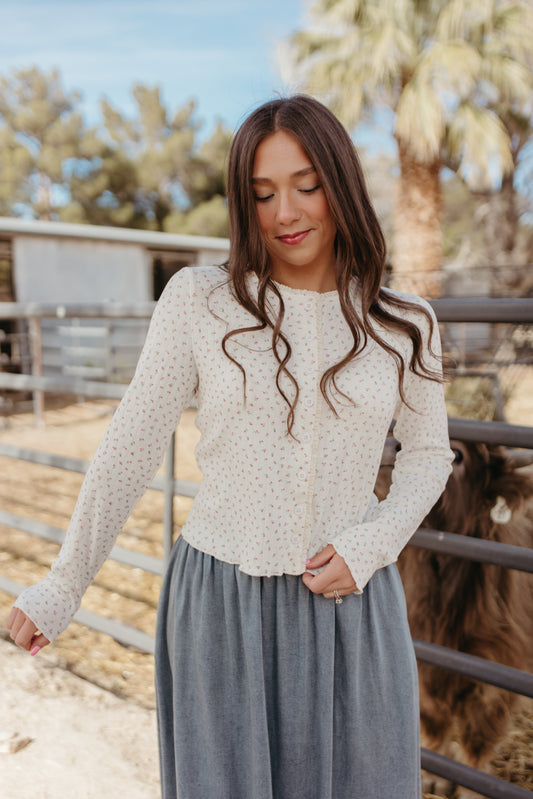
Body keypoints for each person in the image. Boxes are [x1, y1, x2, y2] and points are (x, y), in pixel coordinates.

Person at [7, 95, 453, 799]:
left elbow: (430, 454)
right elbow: (131, 443)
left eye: (306, 185)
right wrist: (63, 583)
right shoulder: (199, 300)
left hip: (352, 608)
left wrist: (372, 545)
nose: (286, 212)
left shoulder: (405, 324)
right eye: (262, 193)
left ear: (341, 182)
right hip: (220, 612)